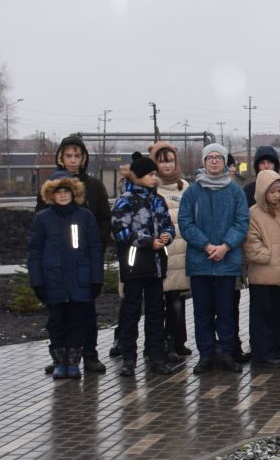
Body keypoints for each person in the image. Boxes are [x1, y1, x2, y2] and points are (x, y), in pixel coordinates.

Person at [178, 143, 250, 374]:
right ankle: (206, 355)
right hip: (200, 263)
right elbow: (186, 223)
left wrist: (226, 246)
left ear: (225, 161)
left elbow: (242, 223)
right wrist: (206, 245)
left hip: (227, 263)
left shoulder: (236, 191)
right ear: (204, 161)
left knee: (227, 311)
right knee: (202, 312)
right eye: (210, 157)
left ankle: (227, 354)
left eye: (219, 157)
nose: (215, 161)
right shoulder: (192, 192)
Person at [47, 134, 113, 373]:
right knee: (60, 312)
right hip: (59, 262)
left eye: (77, 156)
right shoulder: (52, 185)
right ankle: (62, 355)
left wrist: (97, 247)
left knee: (86, 311)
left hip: (84, 261)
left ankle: (90, 354)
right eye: (68, 156)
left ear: (84, 158)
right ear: (61, 158)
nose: (73, 160)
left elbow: (105, 220)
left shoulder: (94, 186)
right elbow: (40, 220)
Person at [27, 175, 102, 379]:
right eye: (58, 192)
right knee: (56, 322)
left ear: (74, 193)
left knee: (78, 321)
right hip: (53, 280)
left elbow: (95, 248)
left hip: (80, 279)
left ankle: (74, 361)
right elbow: (34, 251)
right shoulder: (43, 219)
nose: (62, 195)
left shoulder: (84, 216)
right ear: (50, 195)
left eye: (66, 191)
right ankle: (60, 361)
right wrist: (37, 281)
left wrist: (96, 278)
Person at [109, 150, 174, 377]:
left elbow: (168, 224)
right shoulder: (125, 201)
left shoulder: (158, 200)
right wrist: (149, 242)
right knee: (131, 312)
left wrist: (167, 235)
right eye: (149, 174)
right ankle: (128, 358)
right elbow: (120, 231)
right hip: (135, 265)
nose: (154, 178)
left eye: (155, 174)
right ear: (138, 176)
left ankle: (156, 356)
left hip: (156, 266)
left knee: (157, 313)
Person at [243, 170, 280, 366]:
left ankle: (278, 350)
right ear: (262, 191)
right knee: (262, 317)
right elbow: (250, 243)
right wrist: (271, 257)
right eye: (272, 191)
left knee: (278, 315)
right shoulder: (253, 213)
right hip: (263, 275)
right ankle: (263, 353)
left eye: (279, 191)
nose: (276, 195)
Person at [148, 141, 194, 360]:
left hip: (182, 251)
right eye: (162, 161)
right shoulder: (150, 186)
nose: (166, 166)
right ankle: (158, 343)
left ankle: (178, 340)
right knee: (159, 301)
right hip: (160, 251)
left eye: (170, 161)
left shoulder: (185, 187)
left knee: (178, 299)